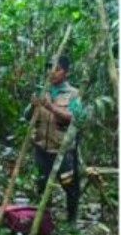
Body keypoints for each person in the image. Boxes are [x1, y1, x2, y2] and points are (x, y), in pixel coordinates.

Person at [28, 56, 84, 224]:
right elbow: (27, 117)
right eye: (49, 68)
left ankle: (71, 222)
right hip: (41, 148)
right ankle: (45, 222)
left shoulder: (73, 94)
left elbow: (76, 118)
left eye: (57, 69)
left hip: (63, 149)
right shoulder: (42, 91)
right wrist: (32, 105)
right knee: (43, 185)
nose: (52, 72)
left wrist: (50, 107)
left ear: (66, 72)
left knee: (70, 186)